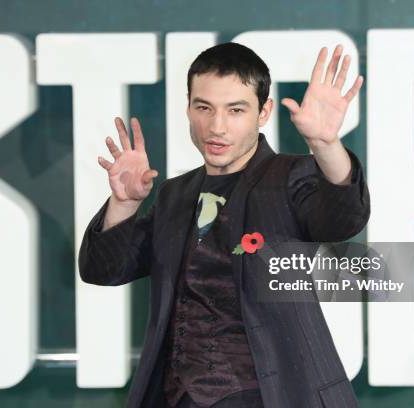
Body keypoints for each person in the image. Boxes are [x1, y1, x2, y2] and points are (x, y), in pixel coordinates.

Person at [78, 42, 370, 408]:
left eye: (235, 110)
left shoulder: (290, 177)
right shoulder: (174, 195)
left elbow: (344, 219)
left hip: (274, 397)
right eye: (204, 108)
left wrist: (326, 145)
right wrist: (124, 203)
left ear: (263, 112)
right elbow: (103, 269)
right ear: (188, 107)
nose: (216, 127)